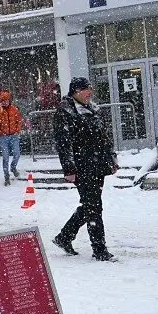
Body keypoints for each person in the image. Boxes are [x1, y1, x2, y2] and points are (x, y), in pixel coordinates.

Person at [51, 77, 119, 262]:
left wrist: (111, 159)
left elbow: (104, 137)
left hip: (98, 164)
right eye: (85, 89)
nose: (90, 92)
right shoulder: (65, 112)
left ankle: (64, 236)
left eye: (90, 89)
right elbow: (63, 143)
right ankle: (99, 249)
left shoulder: (94, 109)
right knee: (93, 207)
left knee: (90, 205)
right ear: (75, 92)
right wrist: (69, 168)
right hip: (81, 166)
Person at [0, 91, 24, 185]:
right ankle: (6, 176)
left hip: (14, 135)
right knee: (5, 157)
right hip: (3, 137)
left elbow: (19, 120)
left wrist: (17, 130)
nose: (5, 102)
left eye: (6, 100)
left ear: (9, 100)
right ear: (0, 101)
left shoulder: (14, 109)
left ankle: (13, 167)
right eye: (3, 101)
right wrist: (0, 115)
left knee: (17, 154)